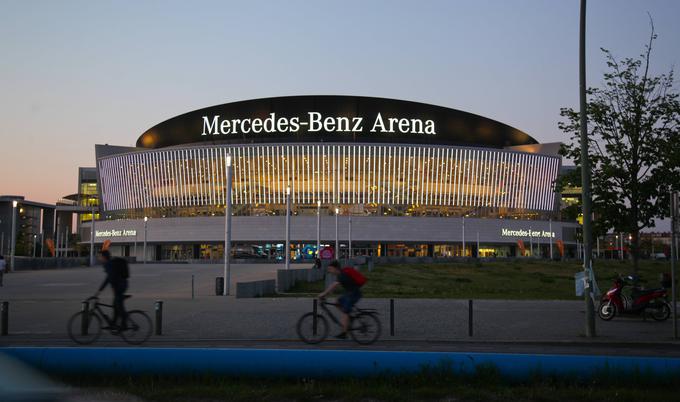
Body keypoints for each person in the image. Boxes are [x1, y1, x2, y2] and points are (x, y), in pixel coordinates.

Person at [318, 260, 362, 339]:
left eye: (330, 269)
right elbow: (333, 287)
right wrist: (327, 294)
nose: (330, 271)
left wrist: (324, 294)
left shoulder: (342, 275)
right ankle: (348, 316)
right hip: (350, 293)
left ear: (335, 268)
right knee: (337, 301)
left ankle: (344, 333)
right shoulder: (340, 274)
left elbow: (334, 285)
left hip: (354, 294)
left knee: (345, 312)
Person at [95, 250, 128, 331]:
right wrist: (100, 290)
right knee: (115, 305)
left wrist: (112, 289)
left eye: (100, 256)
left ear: (104, 257)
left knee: (118, 305)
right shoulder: (109, 263)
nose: (99, 258)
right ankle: (113, 324)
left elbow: (111, 278)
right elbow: (108, 278)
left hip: (120, 286)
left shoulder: (108, 264)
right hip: (122, 284)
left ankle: (124, 323)